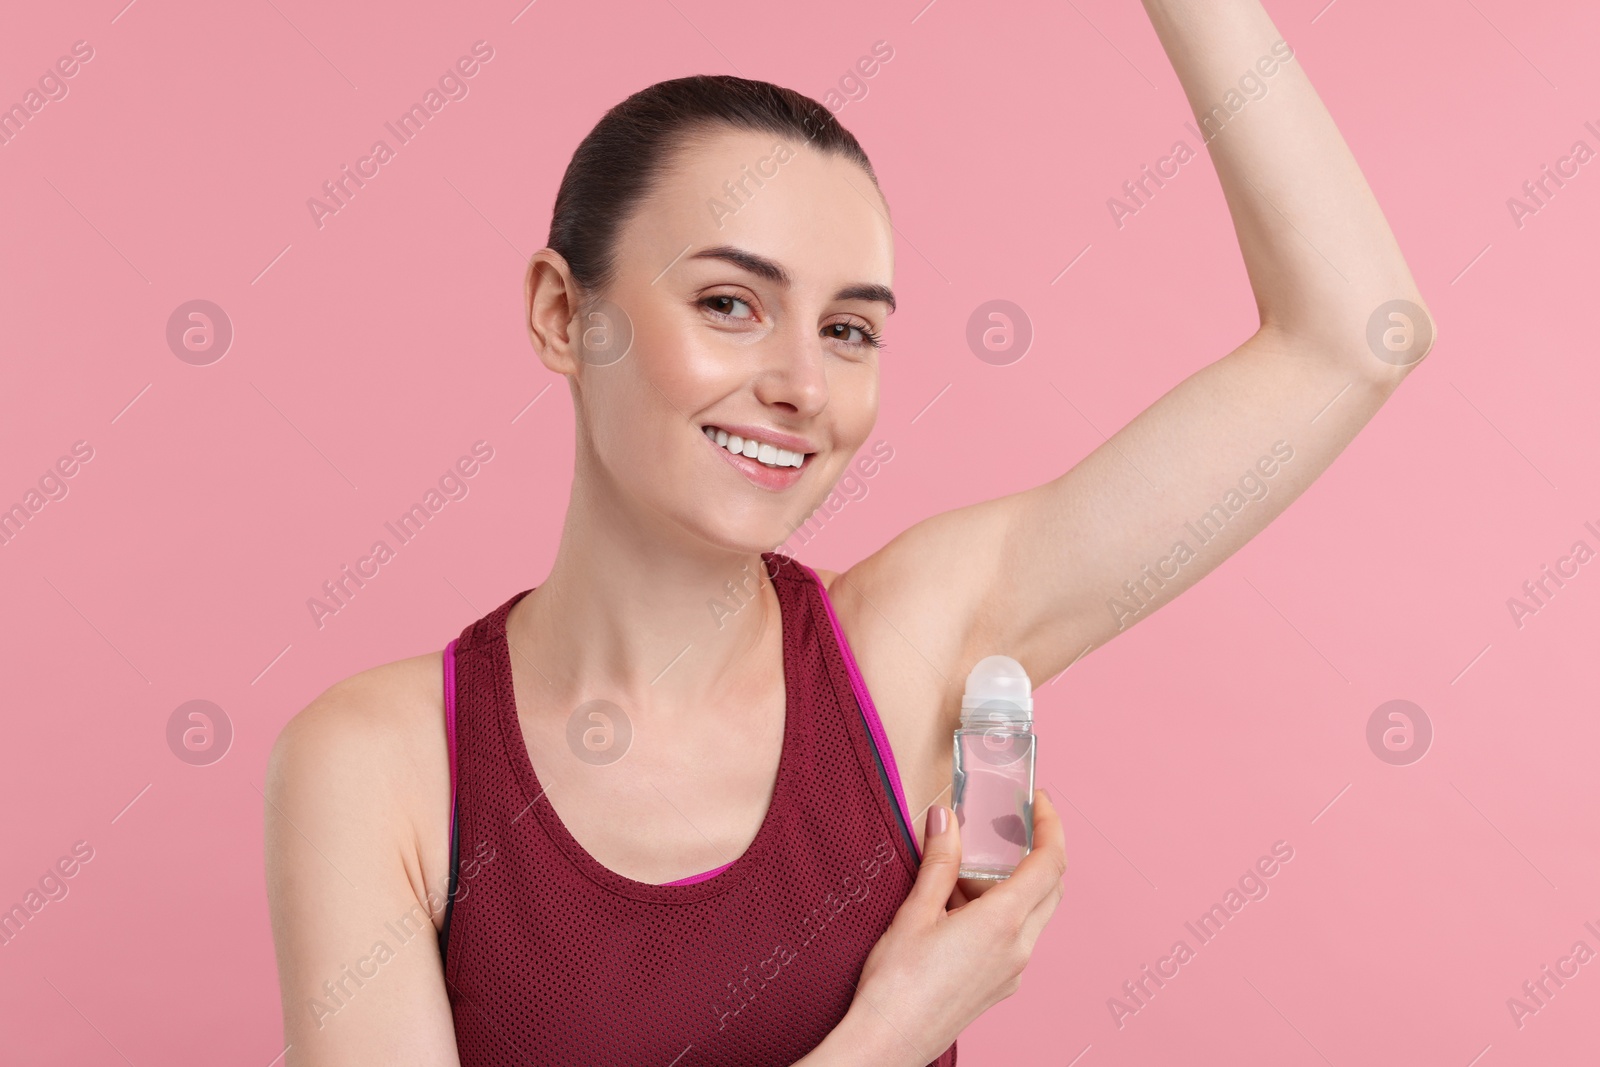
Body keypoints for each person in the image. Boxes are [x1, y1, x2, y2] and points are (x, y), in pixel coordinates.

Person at [264, 1, 1434, 1062]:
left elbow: (1354, 334)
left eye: (850, 330)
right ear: (565, 314)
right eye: (731, 303)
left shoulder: (912, 648)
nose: (801, 385)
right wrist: (892, 1030)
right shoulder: (382, 765)